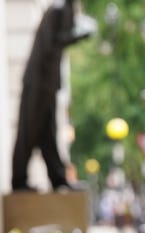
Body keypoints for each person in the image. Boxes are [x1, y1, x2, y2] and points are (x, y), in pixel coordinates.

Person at [11, 0, 93, 191]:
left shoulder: (65, 9)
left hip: (47, 83)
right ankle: (19, 180)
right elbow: (52, 42)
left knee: (48, 133)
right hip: (39, 82)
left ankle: (58, 178)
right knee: (28, 132)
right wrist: (78, 35)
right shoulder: (57, 9)